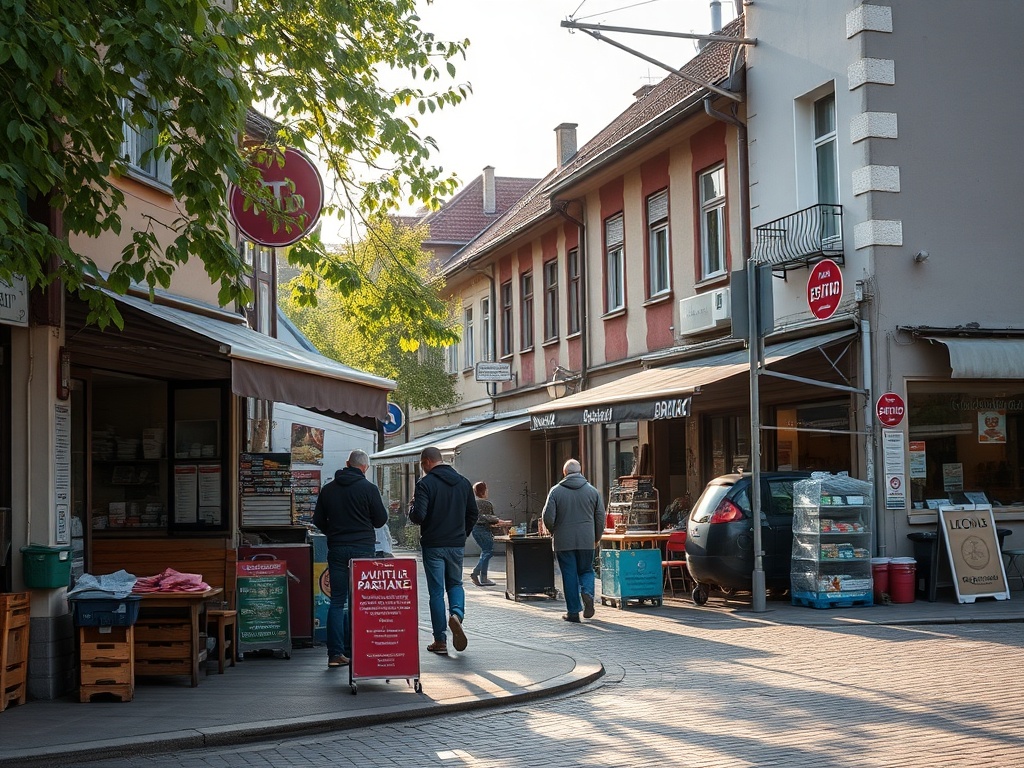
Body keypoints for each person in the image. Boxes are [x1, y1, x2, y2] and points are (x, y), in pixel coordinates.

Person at [312, 449, 388, 668]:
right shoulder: (369, 489)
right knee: (361, 601)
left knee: (337, 601)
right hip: (363, 549)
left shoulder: (328, 489)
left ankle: (335, 654)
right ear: (365, 467)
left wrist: (333, 532)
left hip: (336, 548)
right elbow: (380, 520)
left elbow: (318, 520)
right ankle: (360, 650)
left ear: (347, 463)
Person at [409, 446, 478, 655]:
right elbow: (473, 514)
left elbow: (419, 515)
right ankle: (456, 614)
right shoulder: (464, 483)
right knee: (456, 584)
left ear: (427, 462)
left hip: (433, 544)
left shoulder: (425, 484)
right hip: (456, 544)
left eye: (423, 465)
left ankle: (440, 640)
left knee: (436, 592)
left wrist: (411, 508)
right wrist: (462, 534)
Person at [541, 458, 605, 623]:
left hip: (564, 541)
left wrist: (554, 531)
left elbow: (547, 516)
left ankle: (573, 612)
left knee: (569, 575)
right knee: (586, 570)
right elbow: (600, 518)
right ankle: (588, 594)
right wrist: (596, 537)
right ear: (580, 471)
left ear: (565, 473)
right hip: (586, 540)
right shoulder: (593, 492)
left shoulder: (555, 491)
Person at [469, 481, 512, 587]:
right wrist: (504, 523)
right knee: (488, 551)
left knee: (485, 551)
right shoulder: (486, 504)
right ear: (484, 491)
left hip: (475, 529)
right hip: (483, 530)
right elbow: (491, 519)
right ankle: (477, 573)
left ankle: (483, 577)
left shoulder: (473, 503)